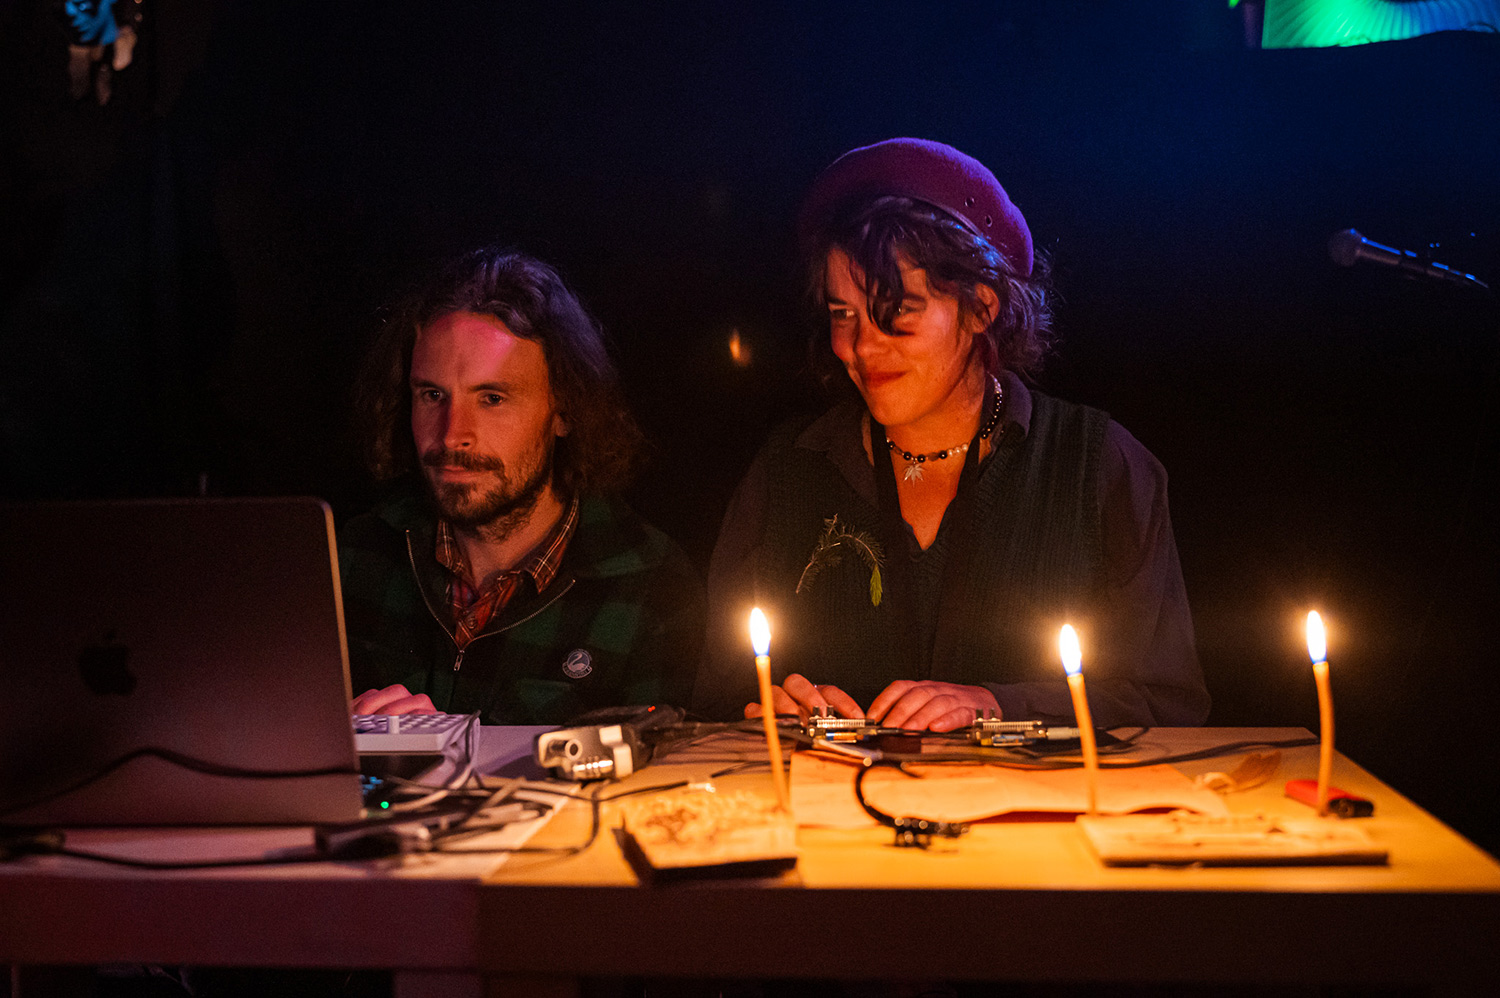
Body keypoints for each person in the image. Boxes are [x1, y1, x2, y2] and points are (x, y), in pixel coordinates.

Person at [694, 138, 1209, 731]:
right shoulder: (786, 469)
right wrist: (766, 710)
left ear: (981, 306)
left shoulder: (1100, 465)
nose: (862, 346)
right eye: (842, 314)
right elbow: (715, 700)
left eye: (897, 310)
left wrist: (1002, 708)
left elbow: (1168, 705)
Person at [341, 247, 704, 724]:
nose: (452, 434)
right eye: (432, 395)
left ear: (564, 411)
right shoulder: (354, 558)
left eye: (492, 398)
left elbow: (663, 770)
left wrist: (450, 744)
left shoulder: (649, 586)